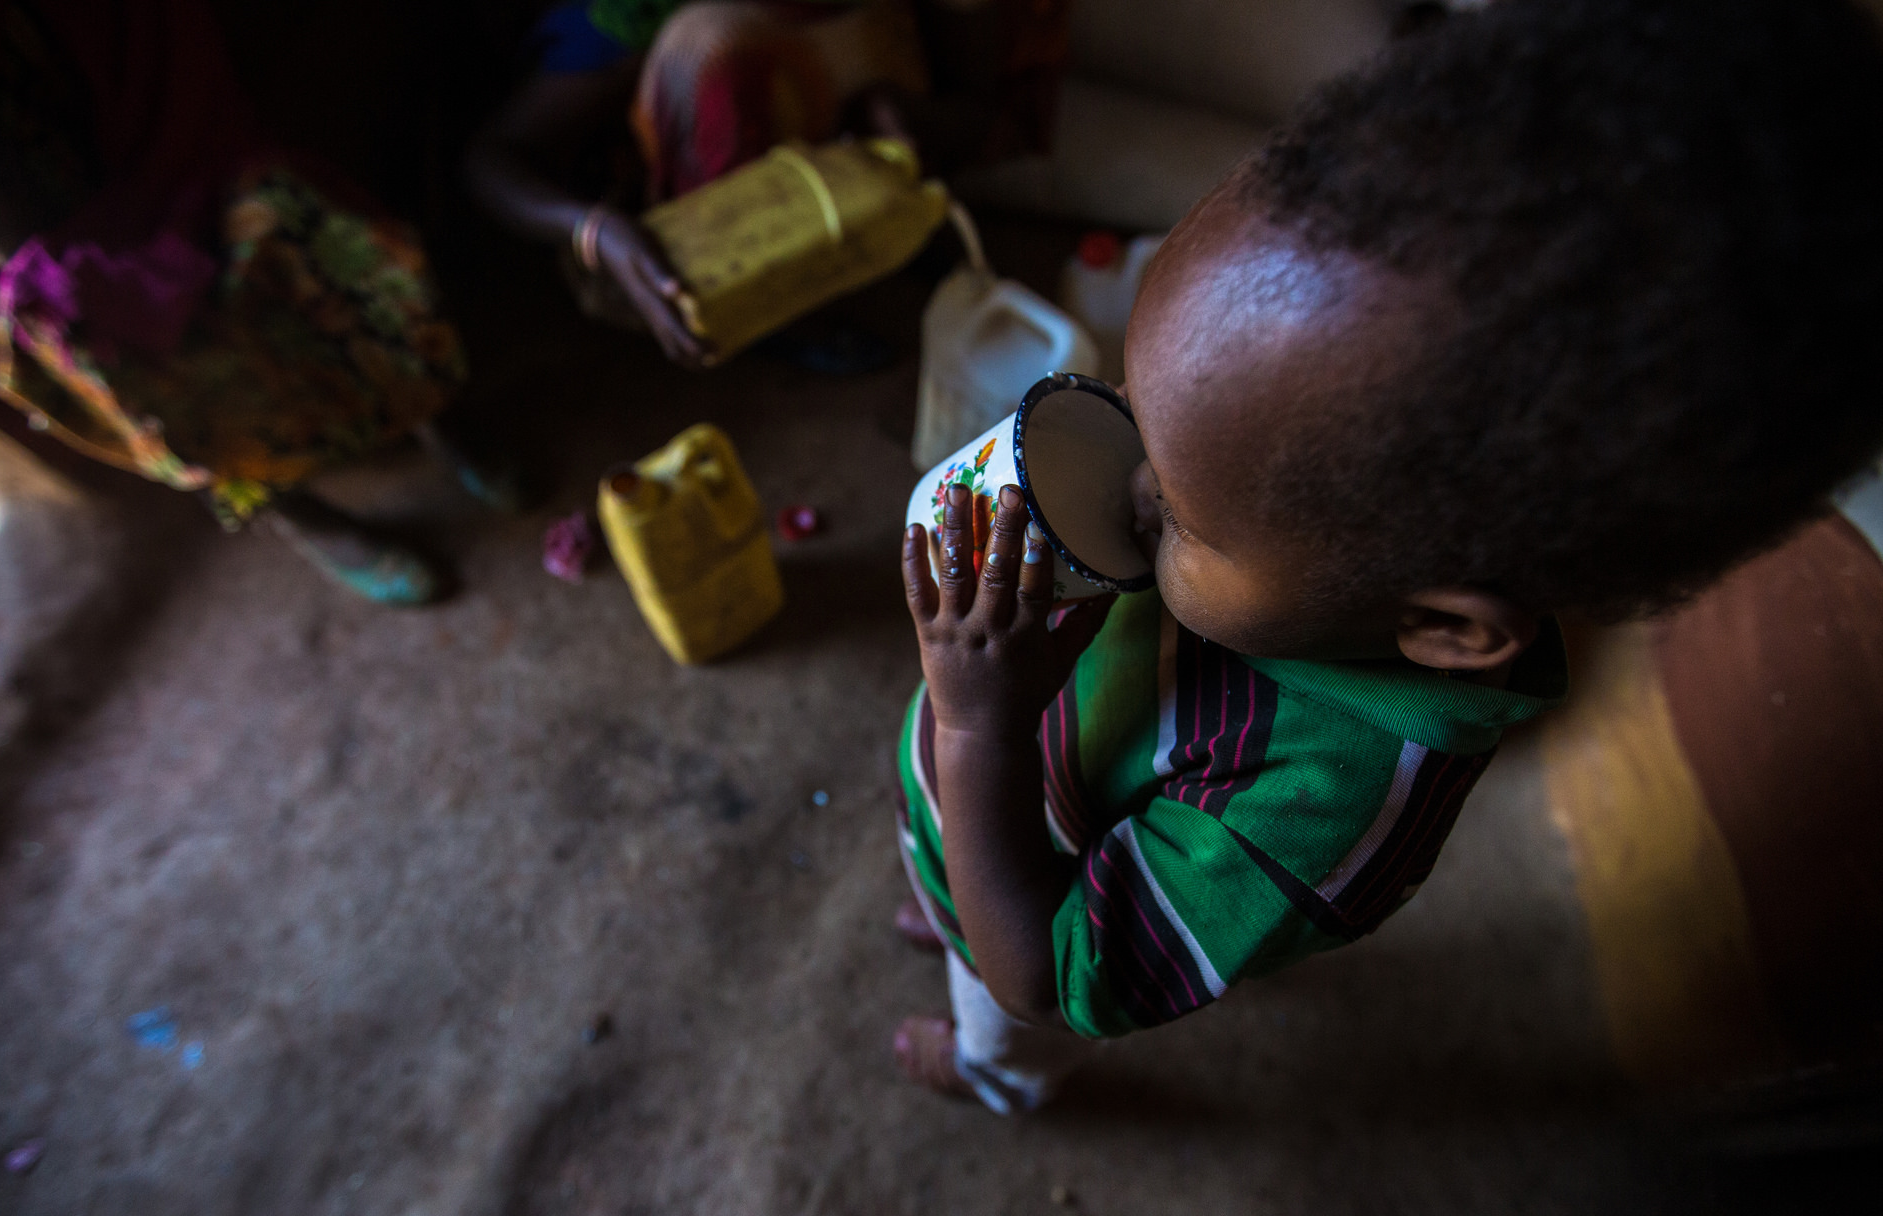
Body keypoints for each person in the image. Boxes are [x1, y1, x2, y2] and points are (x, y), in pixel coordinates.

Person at [889, 0, 1883, 1112]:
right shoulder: (1301, 544)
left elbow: (1047, 972)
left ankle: (986, 1071)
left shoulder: (1320, 814)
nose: (1122, 492)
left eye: (1174, 515)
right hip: (1021, 793)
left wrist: (975, 731)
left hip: (1025, 881)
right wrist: (971, 803)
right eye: (1132, 397)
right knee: (968, 871)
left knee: (995, 968)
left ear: (1443, 629)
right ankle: (953, 880)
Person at [0, 0, 498, 605]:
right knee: (118, 332)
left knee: (252, 207)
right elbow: (2, 228)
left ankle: (421, 398)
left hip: (79, 28)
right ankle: (294, 509)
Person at [465, 0, 1068, 368]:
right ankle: (773, 312)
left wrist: (909, 118)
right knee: (711, 47)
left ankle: (882, 223)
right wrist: (599, 231)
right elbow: (494, 160)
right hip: (718, 209)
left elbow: (978, 105)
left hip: (859, 150)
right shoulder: (641, 15)